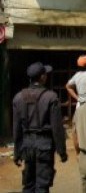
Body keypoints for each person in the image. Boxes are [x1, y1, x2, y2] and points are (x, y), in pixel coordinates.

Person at [12, 62, 68, 192]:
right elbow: (57, 128)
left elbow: (16, 128)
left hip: (27, 145)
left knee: (28, 185)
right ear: (42, 77)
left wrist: (17, 153)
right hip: (45, 146)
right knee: (42, 186)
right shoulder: (51, 97)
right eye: (45, 74)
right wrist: (62, 151)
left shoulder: (18, 98)